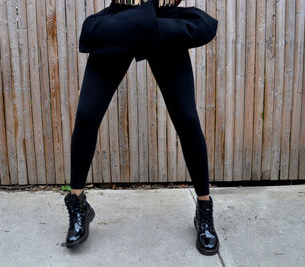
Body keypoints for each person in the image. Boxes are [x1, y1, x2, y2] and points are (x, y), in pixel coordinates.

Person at [63, 0, 219, 256]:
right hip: (119, 22)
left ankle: (204, 208)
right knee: (86, 115)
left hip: (161, 23)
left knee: (187, 118)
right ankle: (78, 203)